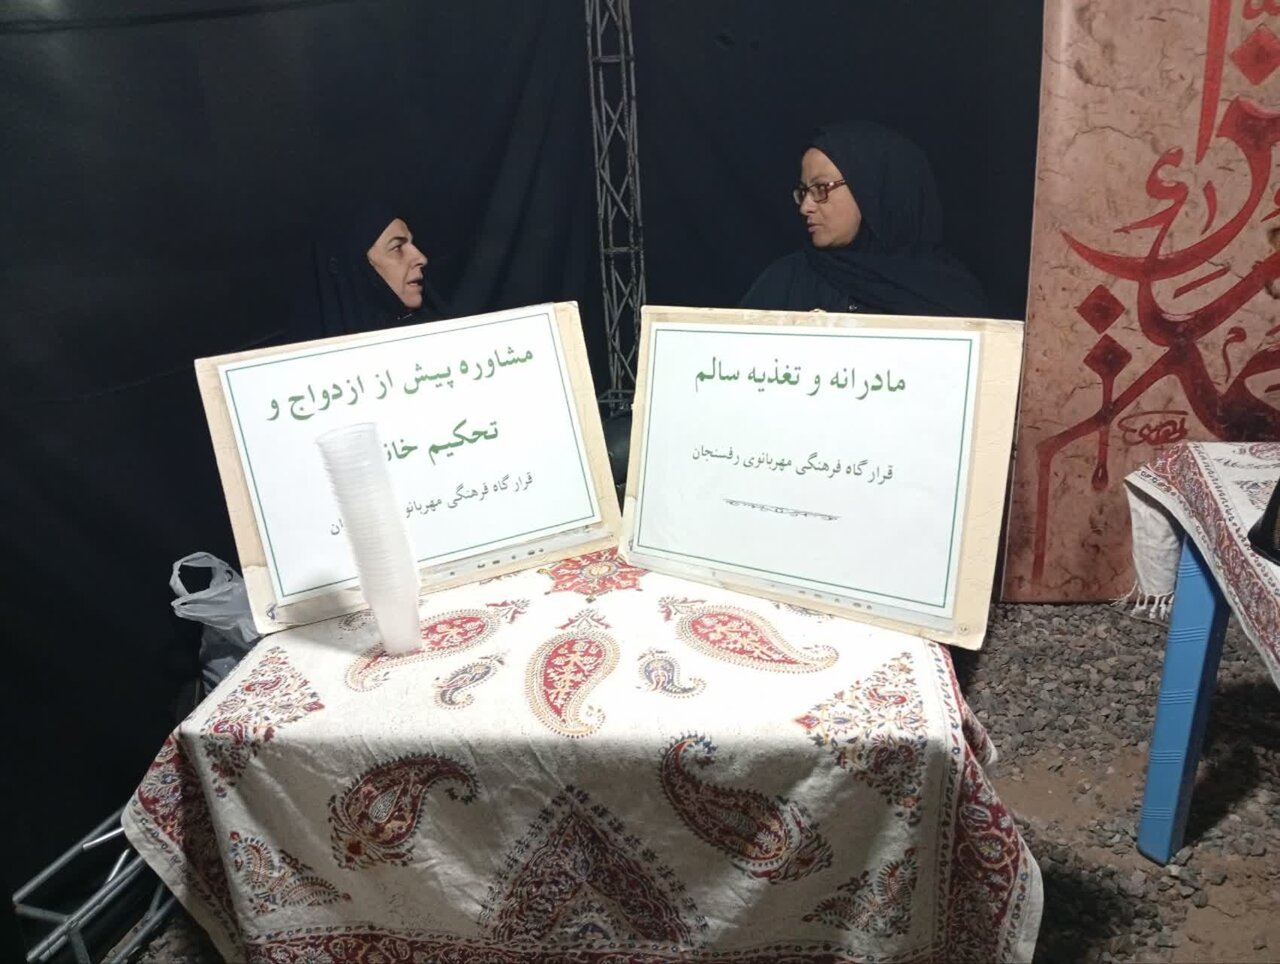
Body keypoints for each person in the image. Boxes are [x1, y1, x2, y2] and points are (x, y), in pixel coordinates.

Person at [740, 120, 987, 317]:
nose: (805, 207)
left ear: (874, 190)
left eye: (821, 188)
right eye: (804, 191)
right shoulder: (784, 283)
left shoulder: (949, 296)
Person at [291, 201, 451, 339]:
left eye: (412, 244)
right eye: (397, 248)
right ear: (361, 268)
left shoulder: (444, 336)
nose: (421, 258)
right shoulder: (306, 356)